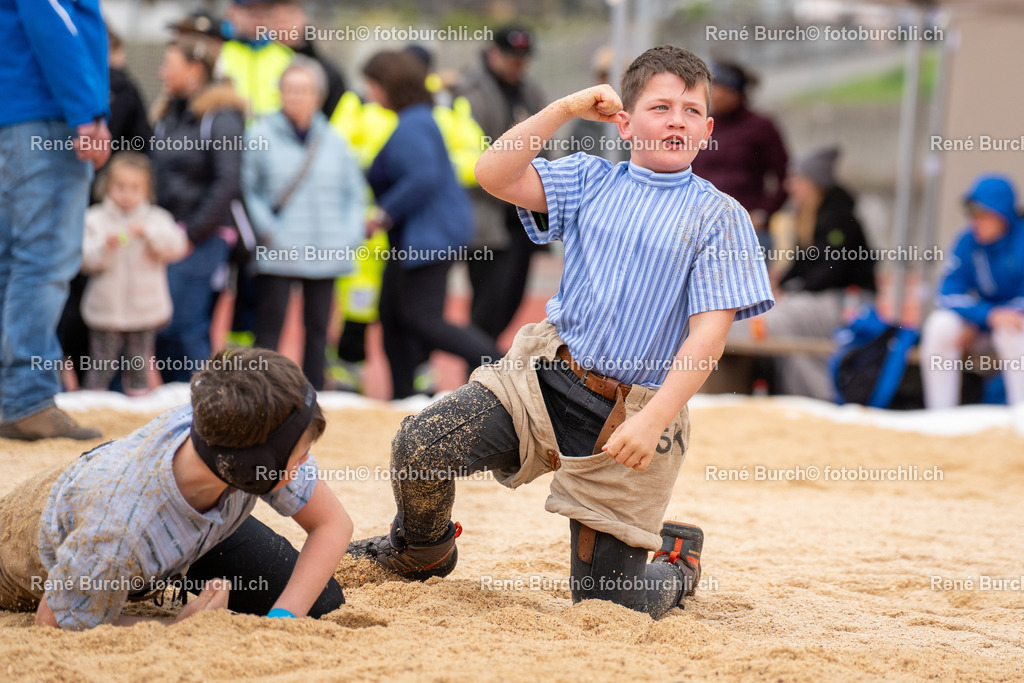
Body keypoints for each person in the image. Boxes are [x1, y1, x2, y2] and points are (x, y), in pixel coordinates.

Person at [348, 46, 774, 618]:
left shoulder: (720, 217)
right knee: (421, 446)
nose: (678, 120)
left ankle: (676, 560)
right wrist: (565, 108)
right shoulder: (590, 178)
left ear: (708, 128)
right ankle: (421, 549)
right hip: (543, 378)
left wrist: (651, 422)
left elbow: (707, 340)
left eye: (692, 111)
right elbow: (493, 173)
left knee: (610, 607)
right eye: (661, 106)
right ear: (624, 121)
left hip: (631, 415)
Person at [0, 347, 351, 630]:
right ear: (252, 468)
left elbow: (332, 525)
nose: (307, 464)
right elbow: (55, 620)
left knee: (320, 603)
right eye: (301, 454)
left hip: (197, 517)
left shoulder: (231, 432)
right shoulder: (117, 532)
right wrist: (174, 628)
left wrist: (282, 622)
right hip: (41, 550)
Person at [362, 50, 501, 400]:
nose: (368, 93)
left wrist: (382, 213)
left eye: (372, 84)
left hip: (427, 236)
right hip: (418, 236)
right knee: (393, 317)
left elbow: (423, 177)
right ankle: (402, 397)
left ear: (388, 86)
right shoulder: (417, 119)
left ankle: (501, 364)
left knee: (424, 319)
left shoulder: (414, 123)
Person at [0, 0, 110, 441]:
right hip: (47, 118)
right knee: (43, 260)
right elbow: (52, 18)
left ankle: (12, 394)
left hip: (16, 117)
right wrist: (86, 109)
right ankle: (26, 396)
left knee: (13, 261)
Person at [244, 57, 365, 390]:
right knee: (270, 327)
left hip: (327, 248)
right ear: (280, 93)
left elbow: (354, 193)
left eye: (305, 90)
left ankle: (312, 396)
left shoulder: (335, 140)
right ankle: (260, 393)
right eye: (290, 89)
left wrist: (350, 235)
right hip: (278, 247)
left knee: (318, 330)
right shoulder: (259, 134)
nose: (296, 97)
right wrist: (267, 230)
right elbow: (248, 189)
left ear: (318, 95)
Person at [59, 26, 156, 391]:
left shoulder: (65, 83)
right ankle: (101, 388)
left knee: (65, 298)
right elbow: (143, 146)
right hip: (95, 208)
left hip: (77, 207)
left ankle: (71, 385)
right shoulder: (120, 86)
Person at [152, 37, 247, 383]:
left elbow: (228, 183)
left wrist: (191, 234)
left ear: (195, 70)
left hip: (204, 236)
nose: (162, 72)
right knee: (162, 326)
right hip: (165, 235)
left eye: (170, 65)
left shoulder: (220, 116)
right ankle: (172, 406)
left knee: (185, 324)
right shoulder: (168, 116)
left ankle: (204, 404)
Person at [762, 146, 876, 401]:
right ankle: (800, 392)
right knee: (777, 318)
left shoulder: (839, 219)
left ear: (814, 183)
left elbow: (832, 270)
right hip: (825, 298)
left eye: (797, 180)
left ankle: (819, 394)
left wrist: (792, 289)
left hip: (849, 302)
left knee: (781, 320)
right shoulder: (809, 215)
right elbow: (803, 264)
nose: (790, 187)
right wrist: (780, 280)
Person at [455, 25, 547, 340]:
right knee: (487, 303)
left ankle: (484, 363)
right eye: (511, 57)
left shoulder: (530, 91)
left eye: (523, 58)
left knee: (512, 298)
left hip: (522, 216)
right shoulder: (470, 91)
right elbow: (469, 155)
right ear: (493, 52)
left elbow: (544, 146)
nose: (517, 64)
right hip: (487, 215)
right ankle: (478, 371)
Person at [80, 153, 189, 394]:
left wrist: (149, 234)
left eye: (135, 188)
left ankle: (138, 407)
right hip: (105, 311)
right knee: (100, 364)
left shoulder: (157, 218)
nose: (127, 194)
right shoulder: (94, 219)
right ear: (107, 185)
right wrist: (104, 247)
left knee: (139, 364)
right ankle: (89, 405)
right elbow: (84, 260)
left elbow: (177, 247)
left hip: (145, 311)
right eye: (120, 186)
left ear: (147, 189)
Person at [920, 174, 1024, 409]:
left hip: (1011, 325)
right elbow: (946, 293)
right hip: (981, 324)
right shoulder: (967, 241)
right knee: (940, 326)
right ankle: (940, 417)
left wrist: (994, 317)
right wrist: (983, 318)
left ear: (1002, 215)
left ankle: (1021, 421)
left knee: (1012, 328)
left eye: (983, 214)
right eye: (972, 214)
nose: (975, 221)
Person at [689, 60, 788, 251]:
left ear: (735, 92)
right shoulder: (704, 124)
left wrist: (764, 213)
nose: (713, 95)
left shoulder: (761, 127)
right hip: (703, 228)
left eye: (719, 88)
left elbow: (786, 177)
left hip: (748, 231)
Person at [271, 1, 348, 118]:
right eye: (278, 19)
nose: (284, 26)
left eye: (290, 17)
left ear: (304, 18)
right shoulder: (261, 64)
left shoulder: (329, 73)